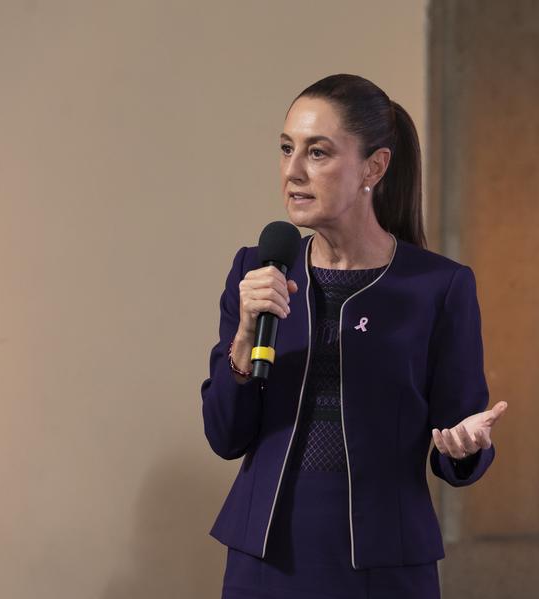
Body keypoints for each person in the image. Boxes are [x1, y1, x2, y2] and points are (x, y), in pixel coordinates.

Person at [200, 73, 508, 599]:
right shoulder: (257, 271)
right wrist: (243, 342)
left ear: (375, 167)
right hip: (264, 559)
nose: (293, 171)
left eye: (317, 153)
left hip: (384, 565)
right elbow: (225, 436)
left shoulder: (439, 286)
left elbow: (457, 442)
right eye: (286, 148)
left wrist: (462, 447)